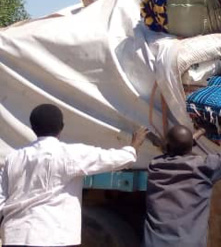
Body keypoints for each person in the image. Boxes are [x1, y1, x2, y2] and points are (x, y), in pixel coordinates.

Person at [0, 104, 149, 247]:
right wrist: (134, 145)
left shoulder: (12, 158)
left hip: (15, 235)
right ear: (62, 127)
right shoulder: (69, 154)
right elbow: (115, 159)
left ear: (33, 128)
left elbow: (2, 197)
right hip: (53, 237)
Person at [142, 108, 221, 247]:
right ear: (191, 147)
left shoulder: (155, 165)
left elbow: (175, 147)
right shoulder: (204, 167)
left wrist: (202, 130)